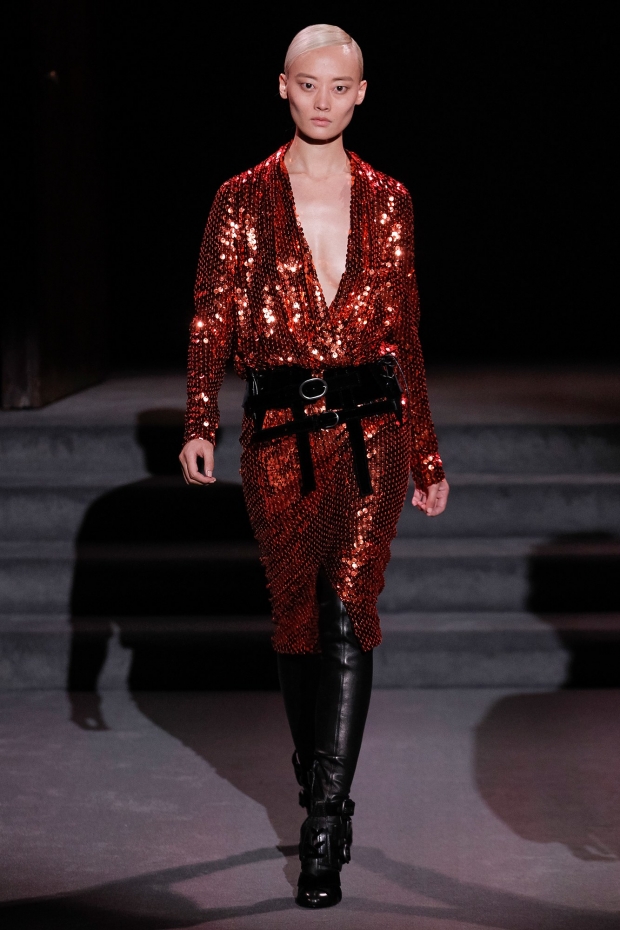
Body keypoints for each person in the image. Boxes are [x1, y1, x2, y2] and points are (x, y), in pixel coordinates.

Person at [179, 23, 449, 909]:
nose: (323, 101)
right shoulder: (240, 199)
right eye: (309, 84)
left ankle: (324, 822)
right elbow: (212, 312)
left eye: (340, 87)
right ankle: (317, 775)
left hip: (373, 432)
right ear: (283, 86)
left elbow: (405, 330)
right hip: (277, 436)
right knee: (297, 618)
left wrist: (425, 449)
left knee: (346, 608)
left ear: (362, 93)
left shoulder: (391, 199)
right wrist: (199, 419)